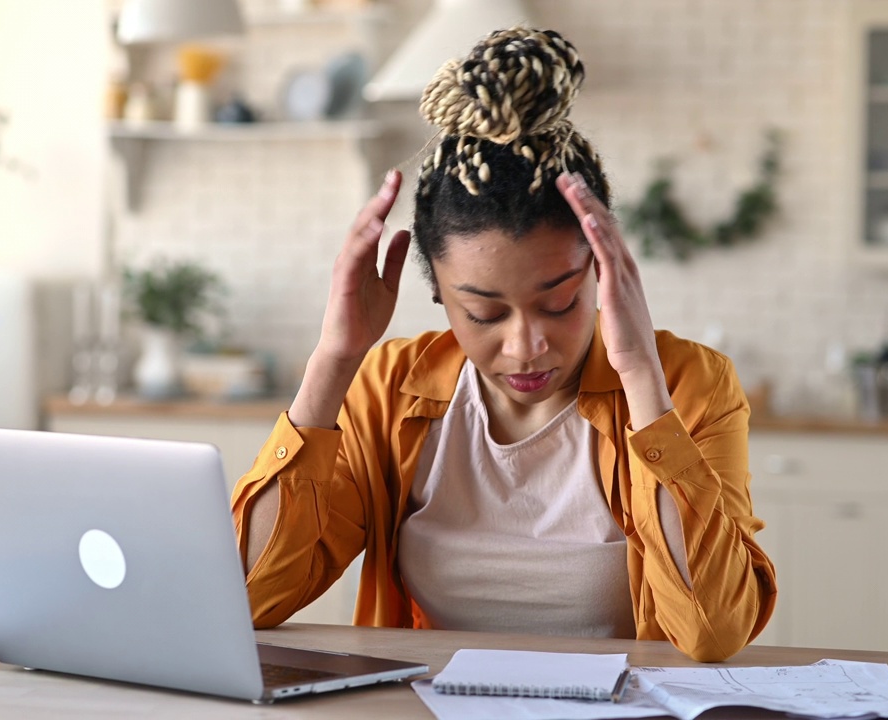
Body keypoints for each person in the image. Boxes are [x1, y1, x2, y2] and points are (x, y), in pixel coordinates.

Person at [230, 27, 777, 663]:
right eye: (484, 313)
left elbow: (714, 631)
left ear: (602, 272)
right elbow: (248, 597)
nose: (526, 347)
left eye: (560, 303)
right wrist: (333, 360)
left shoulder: (689, 384)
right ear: (438, 292)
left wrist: (641, 379)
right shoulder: (387, 390)